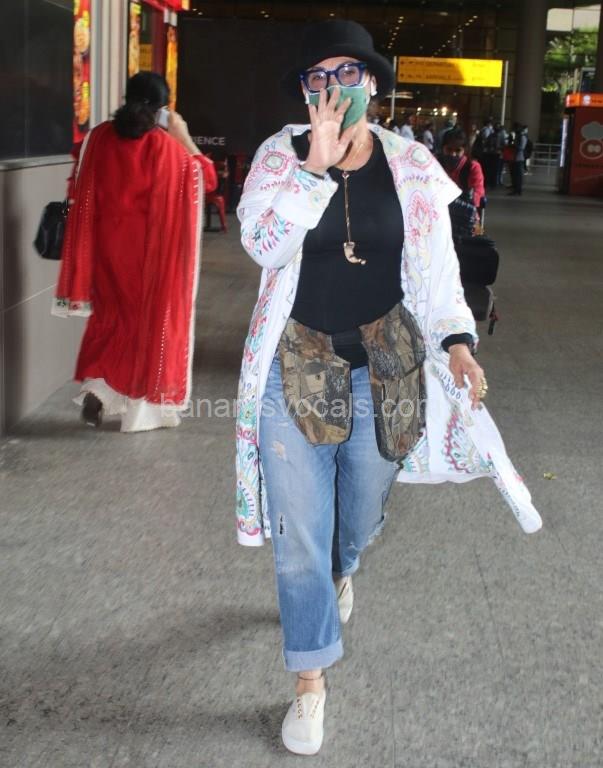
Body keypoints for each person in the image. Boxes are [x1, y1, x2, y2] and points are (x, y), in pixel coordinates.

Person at [235, 19, 542, 756]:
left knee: (360, 512)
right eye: (319, 76)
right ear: (304, 91)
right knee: (299, 536)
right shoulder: (279, 157)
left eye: (349, 73)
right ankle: (310, 683)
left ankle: (344, 566)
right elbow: (262, 247)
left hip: (384, 367)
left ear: (371, 84)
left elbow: (437, 273)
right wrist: (313, 170)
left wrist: (458, 342)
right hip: (293, 364)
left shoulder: (410, 164)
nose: (334, 88)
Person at [53, 72, 217, 431]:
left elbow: (77, 184)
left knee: (109, 321)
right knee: (146, 329)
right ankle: (139, 409)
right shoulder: (164, 146)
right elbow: (205, 179)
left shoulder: (97, 137)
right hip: (149, 257)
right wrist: (185, 137)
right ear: (162, 108)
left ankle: (97, 388)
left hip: (104, 253)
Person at [439, 128, 486, 238]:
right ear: (442, 148)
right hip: (440, 215)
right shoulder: (434, 164)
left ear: (464, 150)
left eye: (458, 150)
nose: (453, 154)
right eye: (449, 149)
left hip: (467, 216)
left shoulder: (473, 167)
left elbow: (478, 194)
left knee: (478, 239)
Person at [510, 122, 528, 196]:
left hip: (519, 158)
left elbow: (521, 147)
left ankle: (518, 189)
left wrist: (514, 146)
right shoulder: (518, 136)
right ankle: (516, 189)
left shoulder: (522, 137)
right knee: (515, 174)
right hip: (516, 157)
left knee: (518, 175)